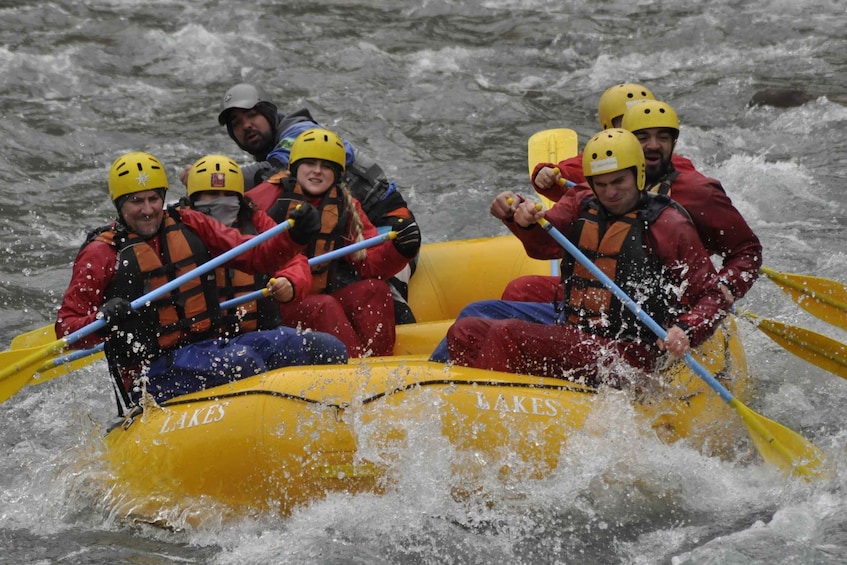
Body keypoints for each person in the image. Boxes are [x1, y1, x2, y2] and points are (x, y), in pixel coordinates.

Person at [435, 129, 729, 387]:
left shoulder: (669, 224)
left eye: (619, 182)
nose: (610, 192)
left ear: (638, 174)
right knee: (466, 330)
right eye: (601, 184)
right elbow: (543, 244)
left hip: (628, 353)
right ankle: (470, 400)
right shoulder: (580, 203)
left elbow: (712, 294)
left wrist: (687, 329)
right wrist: (521, 218)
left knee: (508, 335)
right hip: (578, 332)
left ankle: (495, 412)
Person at [55, 151, 347, 410]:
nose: (147, 209)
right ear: (120, 205)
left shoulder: (188, 221)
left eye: (153, 198)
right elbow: (67, 330)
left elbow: (257, 256)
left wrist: (294, 238)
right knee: (242, 362)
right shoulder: (101, 253)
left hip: (213, 346)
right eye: (136, 201)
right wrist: (103, 318)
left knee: (326, 347)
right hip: (151, 373)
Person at [190, 83, 421, 323]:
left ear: (269, 113)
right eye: (236, 123)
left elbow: (274, 169)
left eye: (252, 115)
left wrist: (207, 178)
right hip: (342, 238)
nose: (246, 125)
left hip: (390, 228)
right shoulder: (279, 189)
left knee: (376, 292)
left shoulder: (301, 133)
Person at [516, 98, 762, 307]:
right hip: (603, 293)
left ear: (673, 142)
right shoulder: (601, 183)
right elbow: (555, 230)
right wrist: (525, 207)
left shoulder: (698, 191)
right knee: (523, 289)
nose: (653, 145)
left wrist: (726, 287)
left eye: (662, 137)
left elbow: (746, 250)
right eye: (642, 137)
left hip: (657, 308)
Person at [247, 128, 419, 358]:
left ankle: (380, 365)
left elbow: (368, 263)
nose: (317, 171)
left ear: (337, 174)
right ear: (295, 167)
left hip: (320, 295)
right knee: (322, 306)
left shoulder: (345, 204)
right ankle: (356, 374)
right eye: (310, 163)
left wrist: (400, 250)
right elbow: (232, 223)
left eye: (326, 166)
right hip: (274, 303)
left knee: (373, 291)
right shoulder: (266, 195)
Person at [179, 154, 312, 335]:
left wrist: (290, 281)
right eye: (213, 194)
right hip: (203, 339)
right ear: (194, 199)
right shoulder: (180, 228)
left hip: (256, 333)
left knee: (328, 347)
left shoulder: (255, 220)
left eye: (228, 195)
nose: (222, 201)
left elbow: (293, 260)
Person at [530, 82, 695, 197]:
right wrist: (545, 174)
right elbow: (568, 172)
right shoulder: (599, 159)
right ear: (608, 128)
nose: (635, 125)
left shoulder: (676, 164)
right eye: (626, 121)